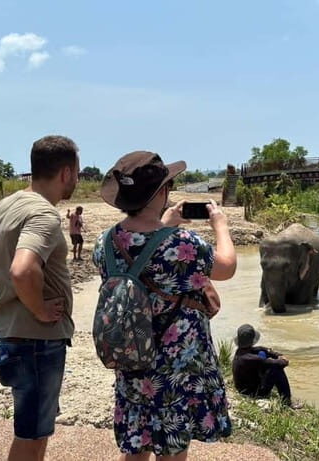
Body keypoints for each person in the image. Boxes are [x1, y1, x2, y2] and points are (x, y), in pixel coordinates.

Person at [92, 151, 237, 461]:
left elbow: (140, 261)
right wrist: (221, 226)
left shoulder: (105, 242)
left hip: (132, 359)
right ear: (161, 193)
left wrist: (163, 225)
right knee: (172, 451)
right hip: (176, 368)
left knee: (138, 443)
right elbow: (226, 267)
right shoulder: (183, 243)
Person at [0, 135, 79, 461]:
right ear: (66, 172)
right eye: (77, 174)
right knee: (31, 436)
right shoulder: (44, 215)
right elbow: (23, 270)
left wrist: (9, 289)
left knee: (34, 430)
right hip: (36, 340)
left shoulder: (8, 204)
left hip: (11, 333)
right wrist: (38, 309)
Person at [231, 324, 302, 409]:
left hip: (244, 387)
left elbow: (260, 348)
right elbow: (281, 363)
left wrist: (277, 355)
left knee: (262, 352)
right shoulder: (252, 359)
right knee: (276, 369)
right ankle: (286, 402)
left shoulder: (240, 352)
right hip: (252, 393)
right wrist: (283, 359)